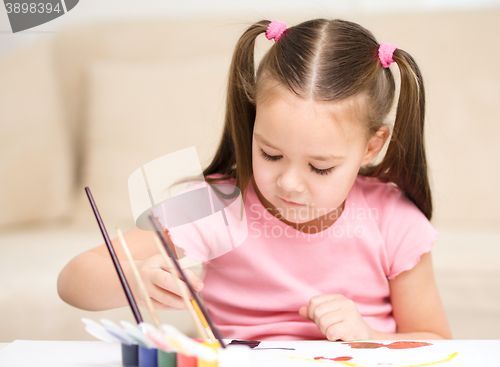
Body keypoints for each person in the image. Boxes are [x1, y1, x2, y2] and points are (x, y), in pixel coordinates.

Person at [58, 18, 452, 342]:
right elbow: (74, 279)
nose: (290, 184)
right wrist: (136, 277)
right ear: (253, 123)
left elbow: (435, 339)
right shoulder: (212, 204)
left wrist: (369, 337)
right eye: (271, 154)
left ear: (371, 147)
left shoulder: (393, 219)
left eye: (320, 167)